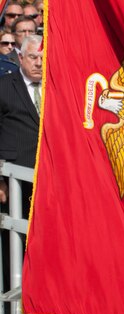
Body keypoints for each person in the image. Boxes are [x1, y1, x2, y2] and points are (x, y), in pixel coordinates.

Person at [0, 34, 42, 212]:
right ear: (21, 57)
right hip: (15, 181)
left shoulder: (59, 88)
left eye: (43, 58)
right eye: (33, 57)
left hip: (52, 180)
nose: (39, 63)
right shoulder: (4, 87)